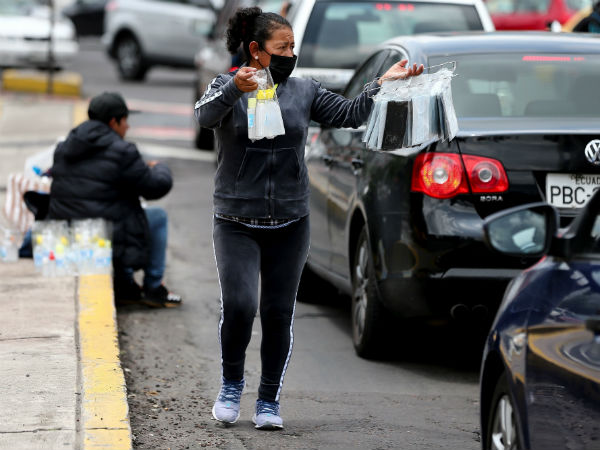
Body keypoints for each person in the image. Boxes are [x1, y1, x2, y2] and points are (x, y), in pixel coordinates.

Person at [194, 6, 423, 430]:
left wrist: (382, 85)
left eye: (293, 47)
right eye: (283, 48)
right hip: (235, 220)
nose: (291, 54)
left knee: (278, 312)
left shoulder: (304, 90)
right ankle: (230, 385)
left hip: (290, 221)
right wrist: (232, 91)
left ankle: (267, 401)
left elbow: (350, 114)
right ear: (256, 51)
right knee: (241, 306)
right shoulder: (226, 85)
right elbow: (203, 116)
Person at [48, 91, 182, 308]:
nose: (127, 127)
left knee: (117, 210)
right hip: (96, 240)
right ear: (113, 122)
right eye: (125, 120)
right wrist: (160, 167)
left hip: (63, 237)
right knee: (155, 217)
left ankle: (125, 285)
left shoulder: (65, 146)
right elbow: (155, 187)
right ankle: (154, 287)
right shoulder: (122, 151)